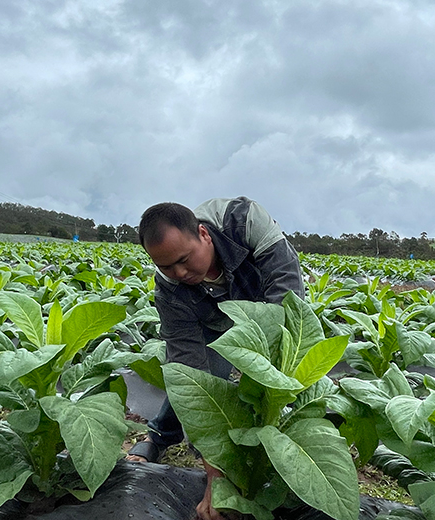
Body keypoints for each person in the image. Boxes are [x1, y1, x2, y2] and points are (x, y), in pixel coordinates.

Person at [127, 196, 304, 520]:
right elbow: (191, 378)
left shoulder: (244, 221)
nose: (179, 272)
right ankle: (158, 437)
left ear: (204, 235)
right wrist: (215, 476)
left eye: (184, 259)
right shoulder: (170, 290)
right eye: (166, 266)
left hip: (264, 307)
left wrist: (270, 363)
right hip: (211, 321)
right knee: (198, 381)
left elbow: (288, 295)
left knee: (277, 380)